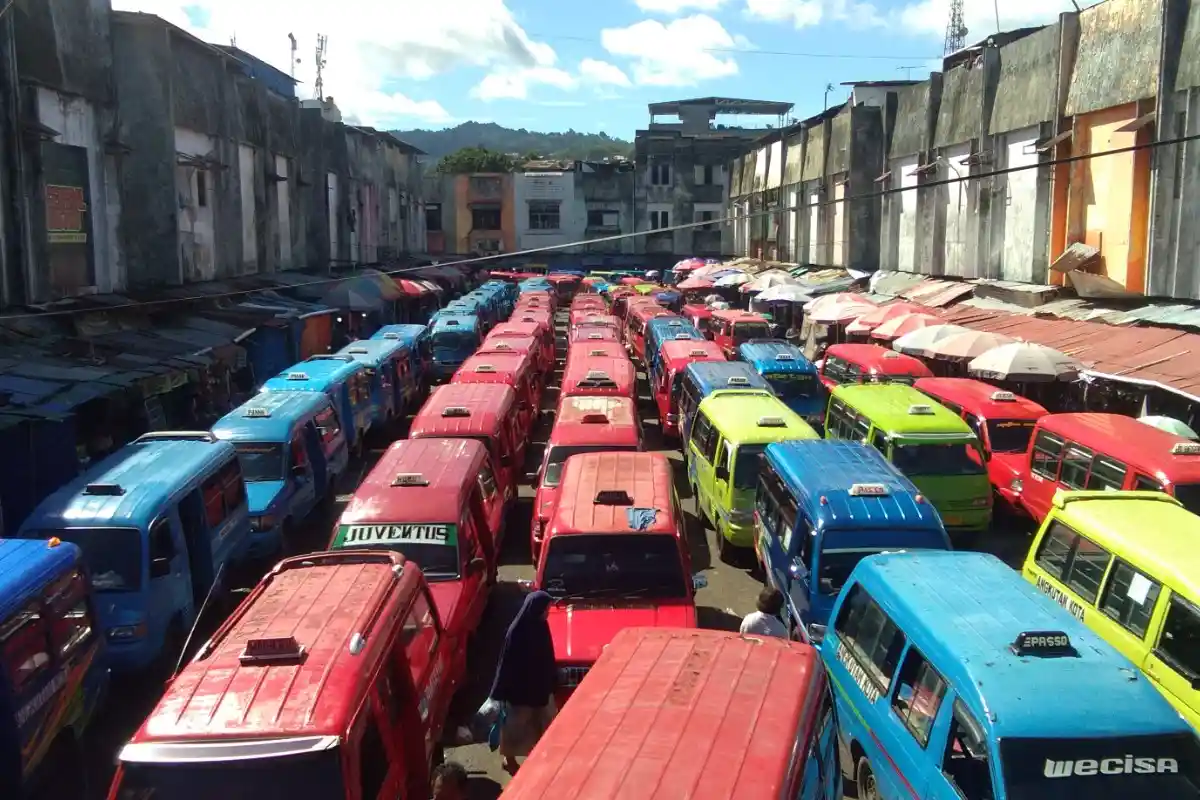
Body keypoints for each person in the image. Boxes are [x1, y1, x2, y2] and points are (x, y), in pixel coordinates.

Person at [489, 590, 557, 775]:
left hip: (540, 689)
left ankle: (540, 758)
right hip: (520, 692)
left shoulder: (542, 627)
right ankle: (509, 760)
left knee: (544, 725)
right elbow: (505, 664)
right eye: (545, 610)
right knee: (514, 729)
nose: (547, 613)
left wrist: (553, 679)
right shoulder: (516, 633)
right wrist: (498, 692)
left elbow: (548, 655)